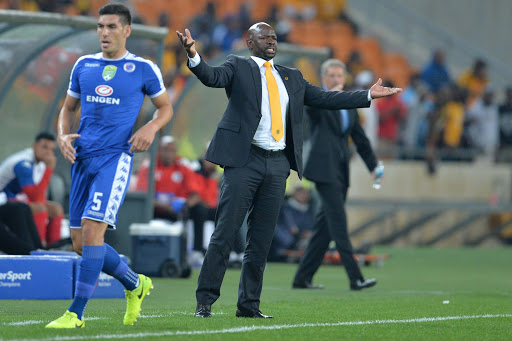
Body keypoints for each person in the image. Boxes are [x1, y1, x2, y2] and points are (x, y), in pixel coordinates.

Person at [176, 22, 401, 318]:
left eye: (274, 37)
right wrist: (193, 54)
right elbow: (211, 77)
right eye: (264, 37)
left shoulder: (291, 76)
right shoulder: (238, 66)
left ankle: (249, 305)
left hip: (278, 163)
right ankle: (204, 301)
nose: (271, 41)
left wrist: (366, 95)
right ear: (249, 42)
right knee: (225, 232)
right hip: (245, 161)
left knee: (262, 240)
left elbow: (325, 98)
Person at [46, 3, 172, 329]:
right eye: (101, 26)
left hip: (114, 159)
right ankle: (135, 283)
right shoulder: (83, 65)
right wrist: (62, 135)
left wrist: (150, 128)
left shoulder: (143, 69)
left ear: (127, 30)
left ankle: (75, 313)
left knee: (91, 232)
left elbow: (165, 109)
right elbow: (67, 108)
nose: (104, 32)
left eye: (112, 27)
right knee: (80, 244)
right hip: (82, 158)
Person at [292, 58, 380, 291]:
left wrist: (373, 167)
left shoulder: (349, 107)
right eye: (330, 75)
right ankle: (356, 277)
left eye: (339, 76)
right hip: (323, 170)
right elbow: (312, 108)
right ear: (323, 78)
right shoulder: (319, 101)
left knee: (325, 228)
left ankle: (302, 278)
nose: (335, 79)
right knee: (338, 223)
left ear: (344, 79)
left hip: (340, 171)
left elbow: (360, 139)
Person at [135, 136, 207, 259]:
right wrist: (163, 205)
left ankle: (196, 252)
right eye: (165, 150)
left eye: (172, 150)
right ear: (159, 151)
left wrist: (184, 205)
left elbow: (195, 195)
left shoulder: (183, 165)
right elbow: (142, 195)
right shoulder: (149, 165)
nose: (169, 154)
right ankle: (139, 249)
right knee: (137, 209)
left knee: (200, 209)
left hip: (177, 210)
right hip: (155, 209)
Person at [0, 132, 64, 247]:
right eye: (44, 147)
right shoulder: (23, 163)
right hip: (4, 200)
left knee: (56, 209)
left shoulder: (40, 163)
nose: (48, 152)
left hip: (17, 200)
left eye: (51, 149)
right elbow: (34, 197)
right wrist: (49, 170)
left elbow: (39, 194)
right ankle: (38, 247)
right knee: (39, 208)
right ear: (34, 146)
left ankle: (54, 247)